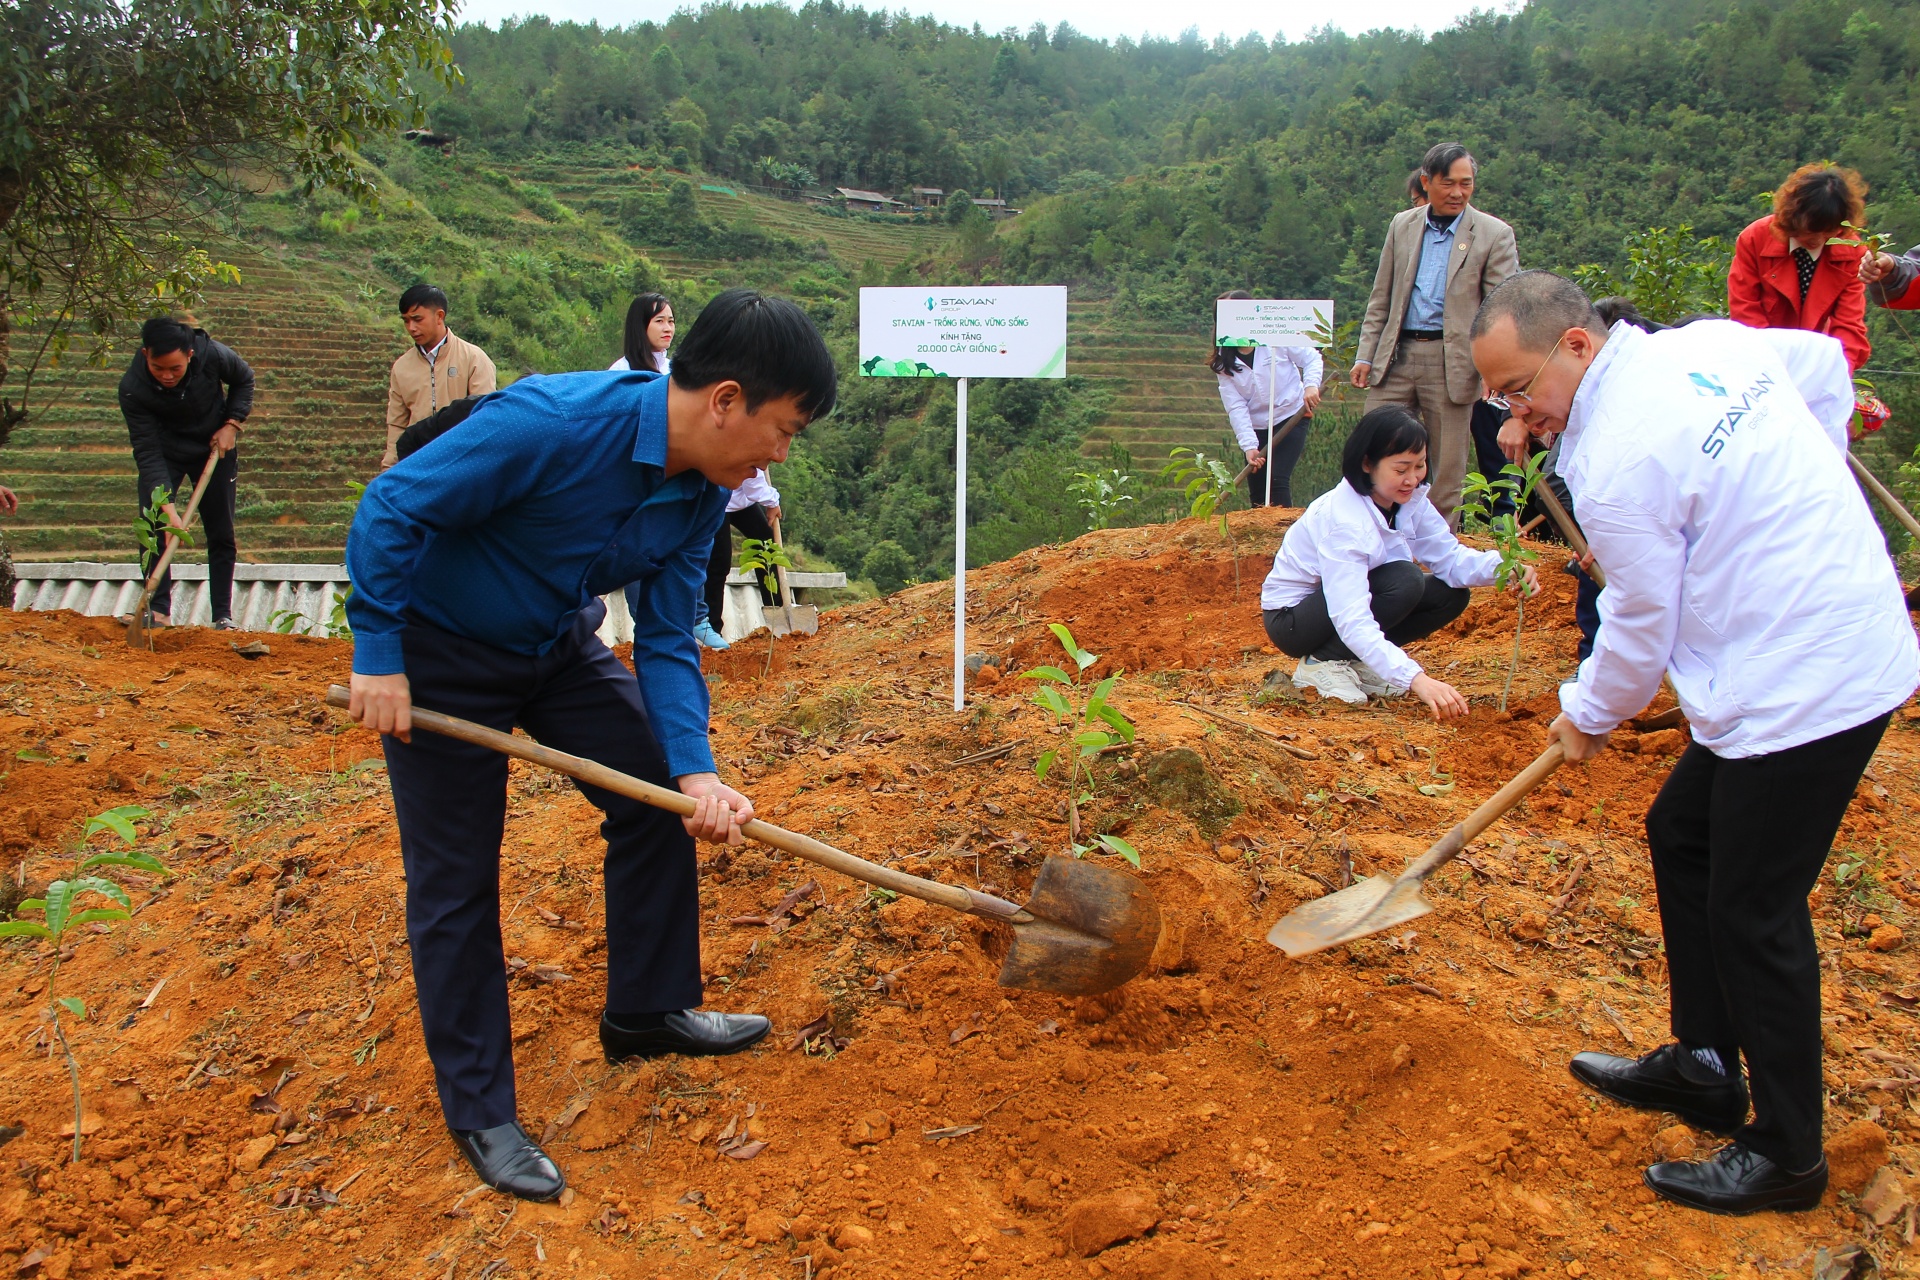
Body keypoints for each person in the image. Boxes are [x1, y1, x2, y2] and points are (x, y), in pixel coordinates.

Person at [343, 289, 838, 1203]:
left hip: (557, 648)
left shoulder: (701, 493)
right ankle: (482, 1110)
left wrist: (696, 768)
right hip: (440, 657)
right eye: (784, 429)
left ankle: (646, 1012)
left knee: (655, 794)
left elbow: (664, 636)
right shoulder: (553, 423)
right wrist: (379, 651)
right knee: (456, 879)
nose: (780, 453)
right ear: (725, 400)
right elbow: (391, 506)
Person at [1471, 270, 1918, 1216]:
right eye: (1501, 398)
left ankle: (1789, 1152)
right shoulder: (1709, 342)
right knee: (1684, 833)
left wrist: (1585, 713)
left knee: (1755, 910)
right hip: (1814, 644)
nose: (1515, 416)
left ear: (1577, 348)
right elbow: (1824, 371)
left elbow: (1637, 621)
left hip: (1805, 683)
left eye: (1517, 390)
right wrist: (1799, 491)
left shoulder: (1621, 460)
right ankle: (1708, 1064)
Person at [1261, 405, 1537, 714]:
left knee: (1449, 594)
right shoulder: (1344, 521)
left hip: (1345, 602)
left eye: (1419, 466)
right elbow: (1350, 615)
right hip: (1293, 618)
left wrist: (1504, 567)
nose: (1413, 479)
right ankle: (1321, 663)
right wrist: (1416, 679)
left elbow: (1450, 558)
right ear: (1368, 464)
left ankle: (1354, 661)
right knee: (1405, 579)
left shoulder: (1408, 502)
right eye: (1401, 469)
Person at [1350, 142, 1520, 524]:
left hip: (1453, 362)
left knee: (1446, 467)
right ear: (1426, 182)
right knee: (1374, 444)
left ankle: (1436, 555)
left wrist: (1495, 372)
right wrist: (1366, 354)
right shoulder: (1403, 225)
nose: (1458, 192)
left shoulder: (1493, 234)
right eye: (1448, 183)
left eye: (1466, 183)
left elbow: (1501, 310)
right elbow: (1382, 295)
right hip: (1397, 356)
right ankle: (1370, 531)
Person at [117, 316, 252, 629]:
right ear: (144, 355)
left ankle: (222, 615)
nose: (167, 376)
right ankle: (159, 610)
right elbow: (147, 451)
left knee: (220, 531)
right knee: (153, 524)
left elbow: (244, 379)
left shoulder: (213, 355)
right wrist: (168, 509)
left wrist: (232, 423)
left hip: (214, 447)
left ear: (190, 355)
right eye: (158, 368)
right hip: (166, 453)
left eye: (175, 369)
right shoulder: (133, 389)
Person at [1728, 164, 1870, 372]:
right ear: (1792, 218)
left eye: (1828, 232)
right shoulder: (1755, 239)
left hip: (1816, 363)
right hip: (1763, 361)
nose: (1818, 240)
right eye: (1811, 232)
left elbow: (1849, 324)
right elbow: (1746, 311)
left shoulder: (1850, 250)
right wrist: (1773, 369)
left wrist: (1836, 373)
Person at [1213, 292, 1323, 508]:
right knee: (1257, 486)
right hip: (1257, 426)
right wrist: (1249, 445)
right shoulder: (1222, 362)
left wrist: (1311, 386)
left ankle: (1284, 535)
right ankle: (1259, 539)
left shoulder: (1276, 339)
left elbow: (1311, 358)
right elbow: (1236, 406)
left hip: (1290, 416)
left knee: (1277, 479)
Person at [664, 469, 781, 651]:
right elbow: (752, 477)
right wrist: (772, 501)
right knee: (718, 563)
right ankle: (711, 627)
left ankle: (777, 611)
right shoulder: (749, 443)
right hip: (717, 497)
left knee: (766, 544)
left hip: (740, 497)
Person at [384, 284, 497, 470]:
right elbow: (397, 424)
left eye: (417, 319)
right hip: (418, 466)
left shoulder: (473, 358)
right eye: (406, 321)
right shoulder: (401, 367)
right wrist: (389, 470)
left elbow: (483, 418)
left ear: (439, 316)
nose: (411, 328)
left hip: (461, 464)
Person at [611, 294, 674, 373]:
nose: (668, 329)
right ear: (640, 325)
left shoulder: (675, 373)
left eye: (670, 321)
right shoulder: (620, 371)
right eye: (659, 321)